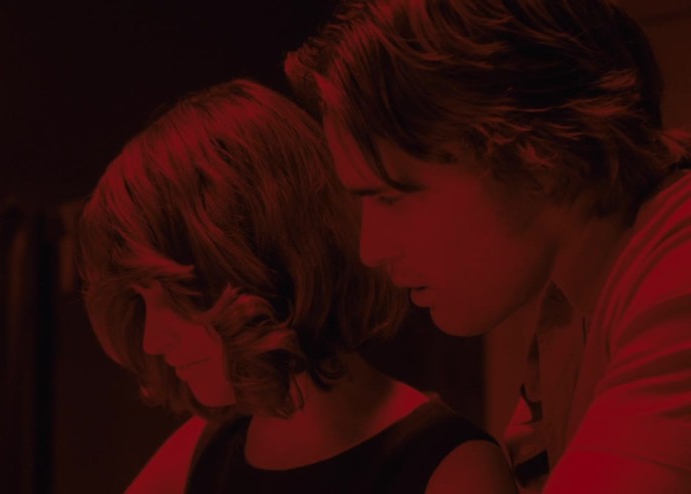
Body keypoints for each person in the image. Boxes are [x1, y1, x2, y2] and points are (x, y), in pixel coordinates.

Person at [284, 0, 691, 492]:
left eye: (392, 196)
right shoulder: (572, 298)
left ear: (535, 151)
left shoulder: (677, 274)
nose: (371, 249)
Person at [76, 79, 516, 494]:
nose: (153, 340)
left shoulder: (450, 467)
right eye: (142, 301)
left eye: (171, 294)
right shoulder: (204, 450)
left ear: (256, 257)